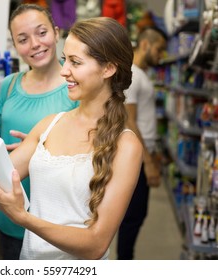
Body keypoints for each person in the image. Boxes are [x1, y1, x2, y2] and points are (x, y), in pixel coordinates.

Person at [0, 17, 143, 259]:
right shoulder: (50, 125)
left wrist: (23, 217)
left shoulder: (126, 145)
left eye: (75, 62)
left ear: (108, 69)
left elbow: (96, 244)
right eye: (65, 59)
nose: (64, 70)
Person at [0, 4, 78, 259]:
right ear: (15, 46)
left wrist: (43, 146)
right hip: (7, 218)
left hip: (56, 224)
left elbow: (91, 153)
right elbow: (1, 146)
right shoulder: (10, 85)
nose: (35, 44)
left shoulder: (76, 87)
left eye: (42, 33)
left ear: (57, 32)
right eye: (23, 39)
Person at [116, 26, 167, 260]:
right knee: (132, 217)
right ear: (145, 44)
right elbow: (130, 120)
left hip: (143, 154)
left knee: (136, 215)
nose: (161, 55)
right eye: (159, 49)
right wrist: (147, 162)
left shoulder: (140, 74)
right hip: (137, 157)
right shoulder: (133, 75)